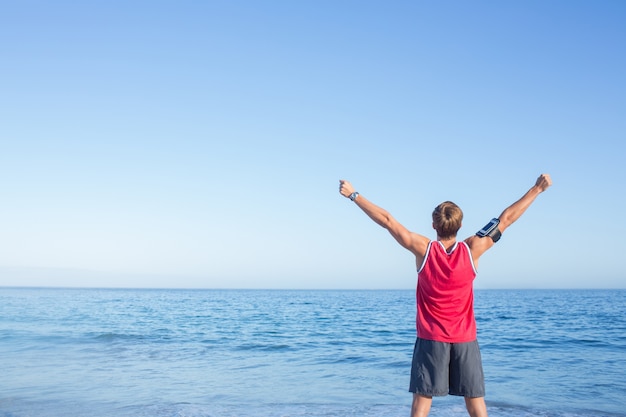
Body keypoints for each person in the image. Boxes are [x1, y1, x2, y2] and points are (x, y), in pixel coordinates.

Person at [338, 174, 552, 417]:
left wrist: (354, 196)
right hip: (465, 340)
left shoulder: (422, 249)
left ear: (433, 226)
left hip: (431, 339)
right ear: (460, 226)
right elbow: (506, 219)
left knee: (422, 399)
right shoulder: (473, 249)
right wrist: (537, 189)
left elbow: (387, 221)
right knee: (475, 401)